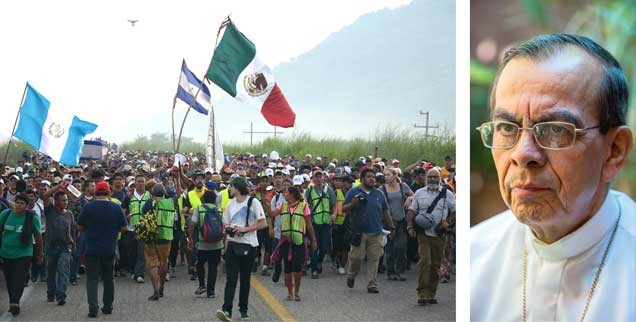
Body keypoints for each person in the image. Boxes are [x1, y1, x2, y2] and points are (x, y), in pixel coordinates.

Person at [471, 34, 634, 321]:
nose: (522, 154)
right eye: (507, 127)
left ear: (614, 151)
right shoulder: (474, 256)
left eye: (556, 129)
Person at [216, 176, 266, 322]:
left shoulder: (253, 202)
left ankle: (243, 309)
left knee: (245, 279)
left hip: (249, 245)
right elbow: (225, 224)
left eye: (231, 187)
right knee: (231, 278)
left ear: (237, 188)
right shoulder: (230, 205)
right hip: (232, 244)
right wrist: (230, 229)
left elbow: (263, 223)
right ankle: (227, 310)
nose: (229, 189)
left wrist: (245, 229)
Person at [77, 181, 128, 318]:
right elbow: (124, 228)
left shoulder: (88, 207)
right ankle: (107, 306)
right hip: (109, 249)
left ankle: (93, 308)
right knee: (108, 279)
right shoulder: (116, 208)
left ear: (95, 193)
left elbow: (80, 226)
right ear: (109, 192)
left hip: (91, 249)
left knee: (92, 279)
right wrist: (113, 229)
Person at [406, 168, 455, 306]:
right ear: (426, 178)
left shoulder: (447, 194)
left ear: (440, 178)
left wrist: (447, 222)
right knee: (425, 262)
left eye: (435, 177)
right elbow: (411, 210)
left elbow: (456, 211)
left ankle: (431, 293)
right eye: (430, 177)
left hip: (439, 235)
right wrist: (409, 226)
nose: (432, 179)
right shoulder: (419, 193)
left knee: (435, 265)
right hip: (424, 234)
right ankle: (422, 293)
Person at [343, 168, 395, 294]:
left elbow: (385, 211)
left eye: (373, 177)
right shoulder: (353, 192)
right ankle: (351, 274)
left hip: (376, 232)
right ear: (362, 179)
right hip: (359, 232)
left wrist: (392, 227)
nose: (372, 179)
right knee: (356, 258)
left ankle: (372, 284)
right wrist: (353, 203)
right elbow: (344, 209)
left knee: (374, 258)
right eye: (369, 177)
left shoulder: (379, 193)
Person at [270, 186, 317, 301]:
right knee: (287, 267)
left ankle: (296, 292)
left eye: (286, 193)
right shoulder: (283, 205)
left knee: (297, 267)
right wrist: (264, 200)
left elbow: (309, 225)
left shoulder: (303, 206)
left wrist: (313, 240)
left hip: (299, 240)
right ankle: (289, 292)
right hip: (285, 240)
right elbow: (272, 214)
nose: (284, 195)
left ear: (292, 195)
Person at [0, 193, 43, 316]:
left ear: (27, 206)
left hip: (24, 253)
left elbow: (38, 237)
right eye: (17, 203)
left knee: (18, 278)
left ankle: (15, 302)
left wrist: (39, 254)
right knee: (9, 279)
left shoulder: (32, 218)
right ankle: (13, 300)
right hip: (6, 252)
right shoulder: (5, 214)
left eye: (22, 203)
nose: (19, 205)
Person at [42, 183, 77, 306]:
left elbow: (73, 230)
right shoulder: (49, 210)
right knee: (51, 272)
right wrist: (59, 186)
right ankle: (51, 293)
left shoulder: (69, 214)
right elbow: (45, 196)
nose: (65, 203)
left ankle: (61, 295)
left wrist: (74, 245)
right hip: (51, 247)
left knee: (63, 271)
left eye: (66, 200)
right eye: (62, 200)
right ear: (56, 202)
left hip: (64, 247)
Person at [141, 183, 176, 300]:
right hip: (166, 236)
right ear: (164, 193)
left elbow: (143, 214)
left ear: (152, 193)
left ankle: (155, 290)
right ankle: (162, 287)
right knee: (163, 262)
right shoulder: (170, 202)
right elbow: (179, 194)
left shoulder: (149, 202)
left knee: (152, 264)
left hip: (151, 236)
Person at [188, 190, 224, 298]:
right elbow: (224, 227)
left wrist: (190, 239)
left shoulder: (199, 209)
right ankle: (211, 291)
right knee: (213, 267)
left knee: (200, 264)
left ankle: (202, 285)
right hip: (217, 244)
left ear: (203, 199)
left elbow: (192, 225)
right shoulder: (219, 211)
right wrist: (224, 244)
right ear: (214, 200)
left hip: (202, 244)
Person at [381, 167, 413, 281]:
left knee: (401, 246)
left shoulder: (403, 186)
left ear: (395, 176)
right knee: (389, 247)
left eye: (388, 175)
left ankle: (400, 270)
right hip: (388, 221)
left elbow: (414, 196)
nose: (386, 177)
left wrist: (409, 198)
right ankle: (391, 272)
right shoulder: (382, 189)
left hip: (400, 220)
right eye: (385, 175)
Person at [305, 169, 337, 279]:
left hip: (326, 222)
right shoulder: (310, 190)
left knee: (323, 247)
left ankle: (318, 261)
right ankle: (314, 269)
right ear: (313, 179)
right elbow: (305, 205)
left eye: (320, 176)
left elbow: (334, 204)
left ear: (323, 178)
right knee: (314, 245)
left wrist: (334, 214)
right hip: (314, 222)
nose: (318, 179)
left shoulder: (329, 190)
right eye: (316, 177)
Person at [122, 174, 149, 283]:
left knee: (142, 252)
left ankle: (140, 274)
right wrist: (126, 217)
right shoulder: (129, 197)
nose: (141, 184)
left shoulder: (149, 196)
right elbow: (123, 210)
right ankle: (133, 271)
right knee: (132, 252)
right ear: (135, 183)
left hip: (144, 229)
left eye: (142, 181)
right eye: (139, 181)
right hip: (131, 229)